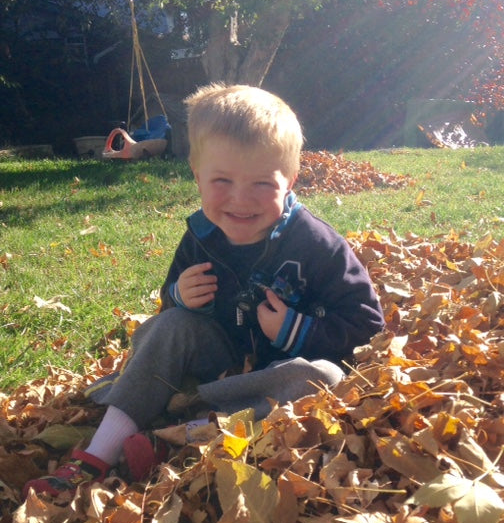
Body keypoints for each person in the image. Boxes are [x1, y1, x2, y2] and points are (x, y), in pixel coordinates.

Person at [23, 84, 384, 499]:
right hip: (216, 361)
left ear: (291, 181)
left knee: (323, 378)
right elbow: (167, 307)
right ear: (196, 175)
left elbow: (369, 326)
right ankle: (97, 456)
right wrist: (178, 294)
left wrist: (295, 330)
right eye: (222, 180)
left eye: (262, 184)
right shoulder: (201, 236)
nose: (240, 200)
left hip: (280, 373)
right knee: (172, 324)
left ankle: (177, 436)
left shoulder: (318, 245)